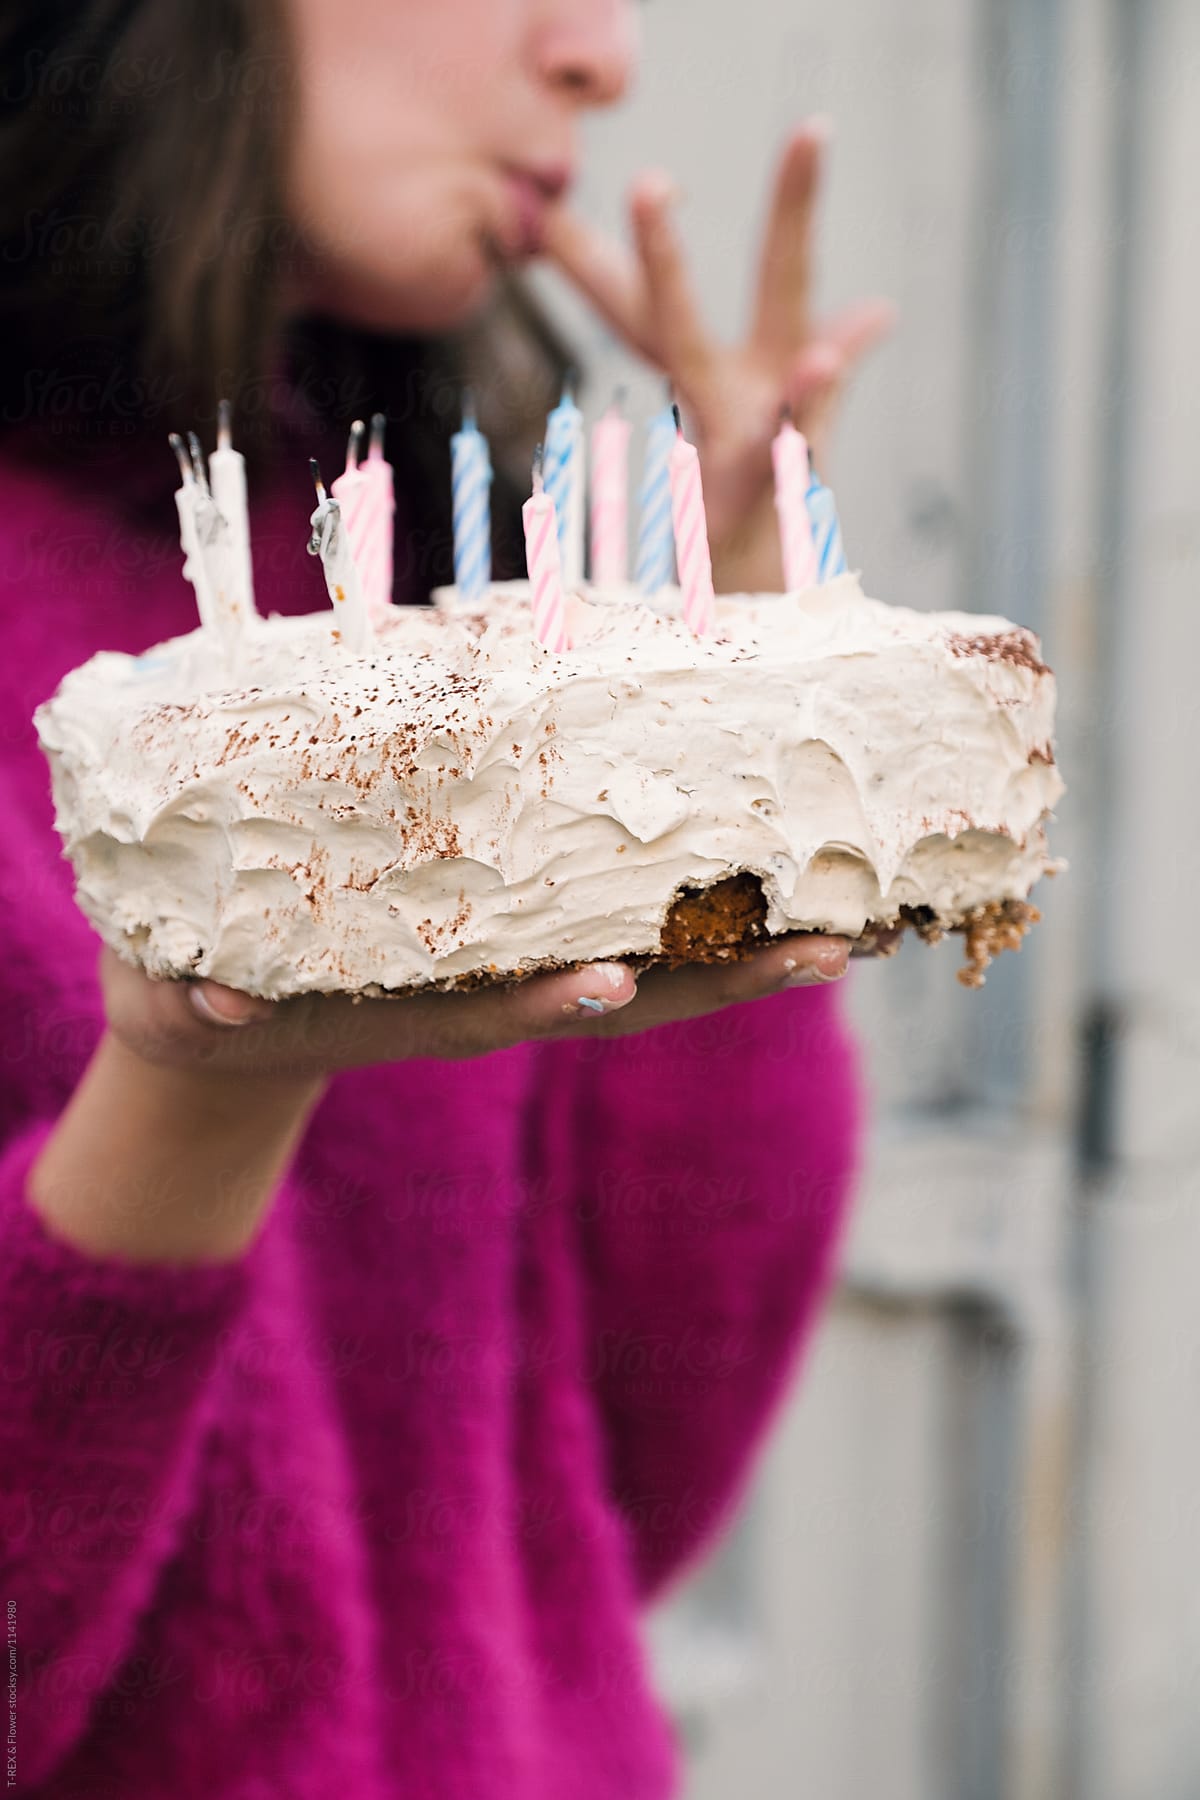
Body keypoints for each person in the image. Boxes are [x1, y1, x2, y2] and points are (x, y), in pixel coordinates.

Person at [0, 3, 893, 1795]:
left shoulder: (402, 604)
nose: (601, 54)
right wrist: (192, 1092)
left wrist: (725, 680)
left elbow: (639, 1471)